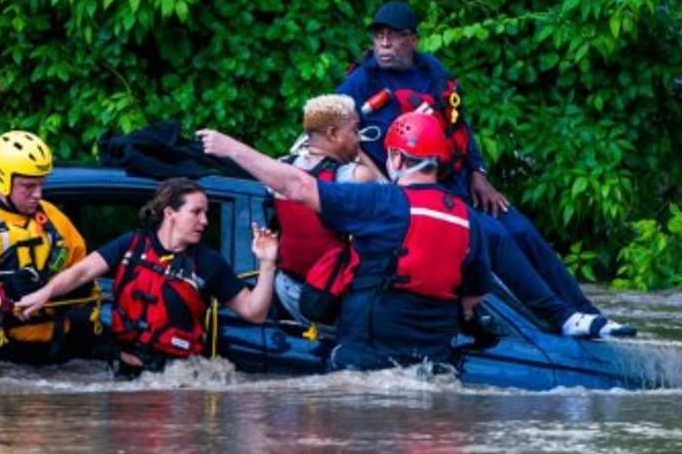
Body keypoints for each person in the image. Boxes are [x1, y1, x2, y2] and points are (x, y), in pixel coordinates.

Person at [337, 0, 633, 338]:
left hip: (458, 180)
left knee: (518, 226)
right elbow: (338, 136)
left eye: (393, 36)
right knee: (493, 235)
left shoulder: (433, 71)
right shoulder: (359, 82)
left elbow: (458, 124)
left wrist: (479, 173)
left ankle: (589, 313)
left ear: (413, 40)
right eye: (378, 36)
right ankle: (561, 317)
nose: (384, 44)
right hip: (419, 192)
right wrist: (380, 182)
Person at [198, 112, 493, 371]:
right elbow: (473, 297)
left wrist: (231, 148)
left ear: (397, 158)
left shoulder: (381, 202)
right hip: (432, 362)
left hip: (366, 359)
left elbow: (299, 186)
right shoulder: (468, 219)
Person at [15, 177, 278, 378]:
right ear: (170, 213)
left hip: (179, 382)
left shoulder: (209, 263)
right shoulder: (131, 244)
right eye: (196, 212)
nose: (205, 221)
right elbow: (81, 272)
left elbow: (254, 312)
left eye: (206, 213)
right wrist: (44, 294)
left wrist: (267, 263)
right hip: (126, 375)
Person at [0, 131, 100, 367]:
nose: (38, 194)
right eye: (28, 186)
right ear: (3, 180)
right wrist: (3, 293)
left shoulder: (54, 219)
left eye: (41, 184)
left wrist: (68, 289)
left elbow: (84, 275)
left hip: (57, 355)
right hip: (2, 359)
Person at [272, 94, 377, 327]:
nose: (359, 138)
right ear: (332, 134)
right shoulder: (357, 177)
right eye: (354, 129)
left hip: (287, 290)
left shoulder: (280, 169)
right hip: (333, 295)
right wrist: (357, 153)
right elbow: (390, 192)